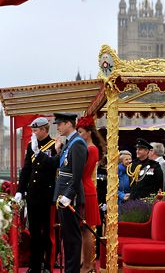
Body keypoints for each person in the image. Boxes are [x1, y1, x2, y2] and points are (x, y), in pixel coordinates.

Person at [15, 117, 57, 273]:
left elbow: (53, 166)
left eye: (35, 130)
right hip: (33, 194)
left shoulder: (54, 145)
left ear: (44, 130)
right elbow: (27, 169)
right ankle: (34, 265)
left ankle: (47, 265)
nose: (33, 133)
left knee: (46, 232)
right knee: (33, 232)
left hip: (47, 194)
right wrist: (20, 189)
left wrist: (39, 153)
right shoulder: (30, 146)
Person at [52, 112, 88, 273]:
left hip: (69, 197)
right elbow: (64, 166)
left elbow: (77, 173)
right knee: (67, 237)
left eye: (59, 124)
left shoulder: (78, 143)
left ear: (68, 124)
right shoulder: (70, 143)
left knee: (72, 237)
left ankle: (72, 271)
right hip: (63, 195)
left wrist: (69, 194)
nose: (58, 127)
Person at [76, 116, 104, 273]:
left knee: (86, 230)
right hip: (85, 188)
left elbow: (82, 171)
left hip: (86, 190)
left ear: (88, 132)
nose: (79, 135)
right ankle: (85, 263)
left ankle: (87, 264)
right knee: (83, 230)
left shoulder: (91, 149)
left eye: (80, 132)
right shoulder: (88, 148)